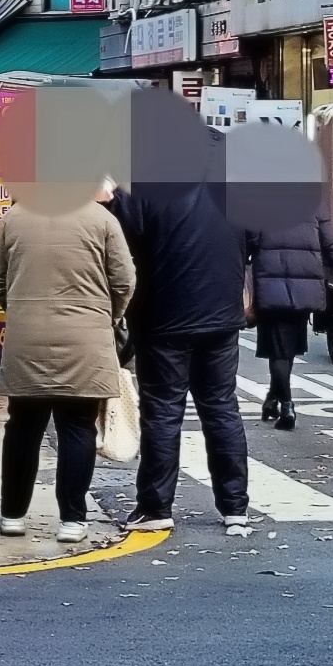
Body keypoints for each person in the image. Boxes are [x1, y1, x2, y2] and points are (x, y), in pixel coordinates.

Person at [108, 126, 253, 536]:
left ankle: (156, 507)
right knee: (221, 406)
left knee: (164, 410)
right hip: (222, 315)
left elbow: (123, 239)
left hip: (164, 316)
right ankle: (235, 506)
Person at [0, 188, 135, 543]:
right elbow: (124, 280)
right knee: (78, 426)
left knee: (22, 426)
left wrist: (17, 308)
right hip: (86, 340)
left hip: (27, 338)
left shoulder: (14, 218)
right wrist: (109, 317)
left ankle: (12, 515)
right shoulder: (102, 220)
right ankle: (72, 519)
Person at [246, 205, 333, 429]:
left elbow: (247, 243)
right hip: (304, 287)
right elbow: (332, 246)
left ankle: (287, 406)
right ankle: (272, 399)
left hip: (270, 286)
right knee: (286, 349)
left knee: (279, 351)